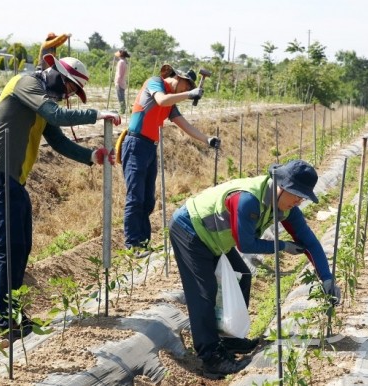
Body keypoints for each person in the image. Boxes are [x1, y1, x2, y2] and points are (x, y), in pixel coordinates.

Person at [0, 53, 120, 339]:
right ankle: (6, 322)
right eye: (69, 88)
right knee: (9, 249)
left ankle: (14, 312)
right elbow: (57, 115)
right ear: (57, 75)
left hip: (12, 181)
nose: (68, 94)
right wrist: (98, 114)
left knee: (22, 246)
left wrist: (92, 155)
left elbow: (59, 141)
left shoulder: (41, 102)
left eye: (73, 92)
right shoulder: (25, 84)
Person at [168, 160, 341, 379]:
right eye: (296, 194)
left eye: (303, 196)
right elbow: (246, 244)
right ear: (281, 185)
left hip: (216, 238)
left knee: (243, 276)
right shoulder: (248, 199)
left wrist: (326, 279)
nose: (298, 200)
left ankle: (228, 339)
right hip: (191, 229)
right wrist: (283, 246)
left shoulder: (287, 208)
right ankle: (211, 357)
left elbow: (310, 242)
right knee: (204, 292)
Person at [118, 64, 220, 255]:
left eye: (190, 89)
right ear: (177, 78)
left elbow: (184, 125)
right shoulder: (155, 83)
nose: (186, 90)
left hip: (149, 147)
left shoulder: (171, 105)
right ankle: (132, 245)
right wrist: (190, 95)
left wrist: (207, 139)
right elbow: (161, 100)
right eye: (186, 86)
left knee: (148, 200)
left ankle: (143, 242)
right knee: (135, 197)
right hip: (135, 144)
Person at [114, 48, 130, 114]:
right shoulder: (124, 61)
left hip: (120, 82)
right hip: (122, 82)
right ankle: (123, 109)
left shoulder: (121, 62)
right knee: (121, 96)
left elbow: (120, 74)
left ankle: (122, 110)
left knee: (120, 97)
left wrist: (117, 82)